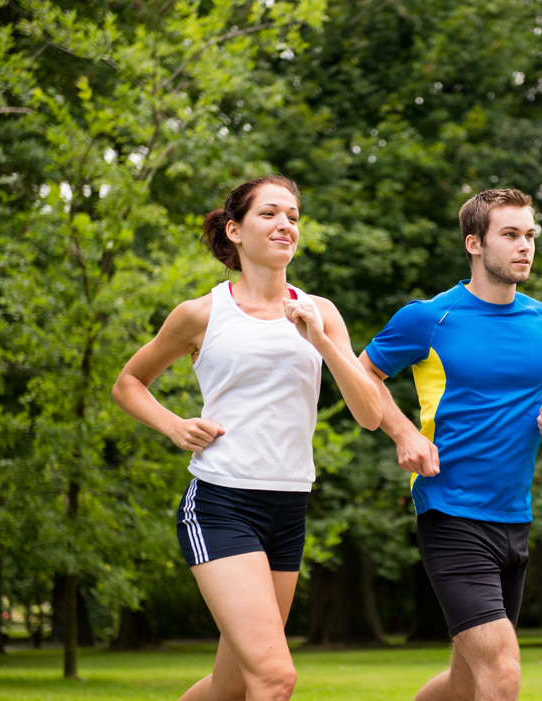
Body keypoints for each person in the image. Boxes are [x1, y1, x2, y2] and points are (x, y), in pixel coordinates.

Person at [112, 175, 380, 701]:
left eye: (294, 217)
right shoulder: (201, 313)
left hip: (289, 507)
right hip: (221, 504)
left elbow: (370, 413)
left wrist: (322, 341)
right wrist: (173, 425)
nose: (286, 224)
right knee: (275, 678)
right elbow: (128, 383)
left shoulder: (320, 312)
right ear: (235, 230)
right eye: (270, 214)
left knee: (232, 684)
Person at [359, 188, 542, 701]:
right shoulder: (428, 318)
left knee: (467, 682)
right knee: (502, 673)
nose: (524, 246)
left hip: (515, 518)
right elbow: (361, 370)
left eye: (529, 235)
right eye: (510, 235)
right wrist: (403, 431)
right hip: (451, 513)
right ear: (474, 243)